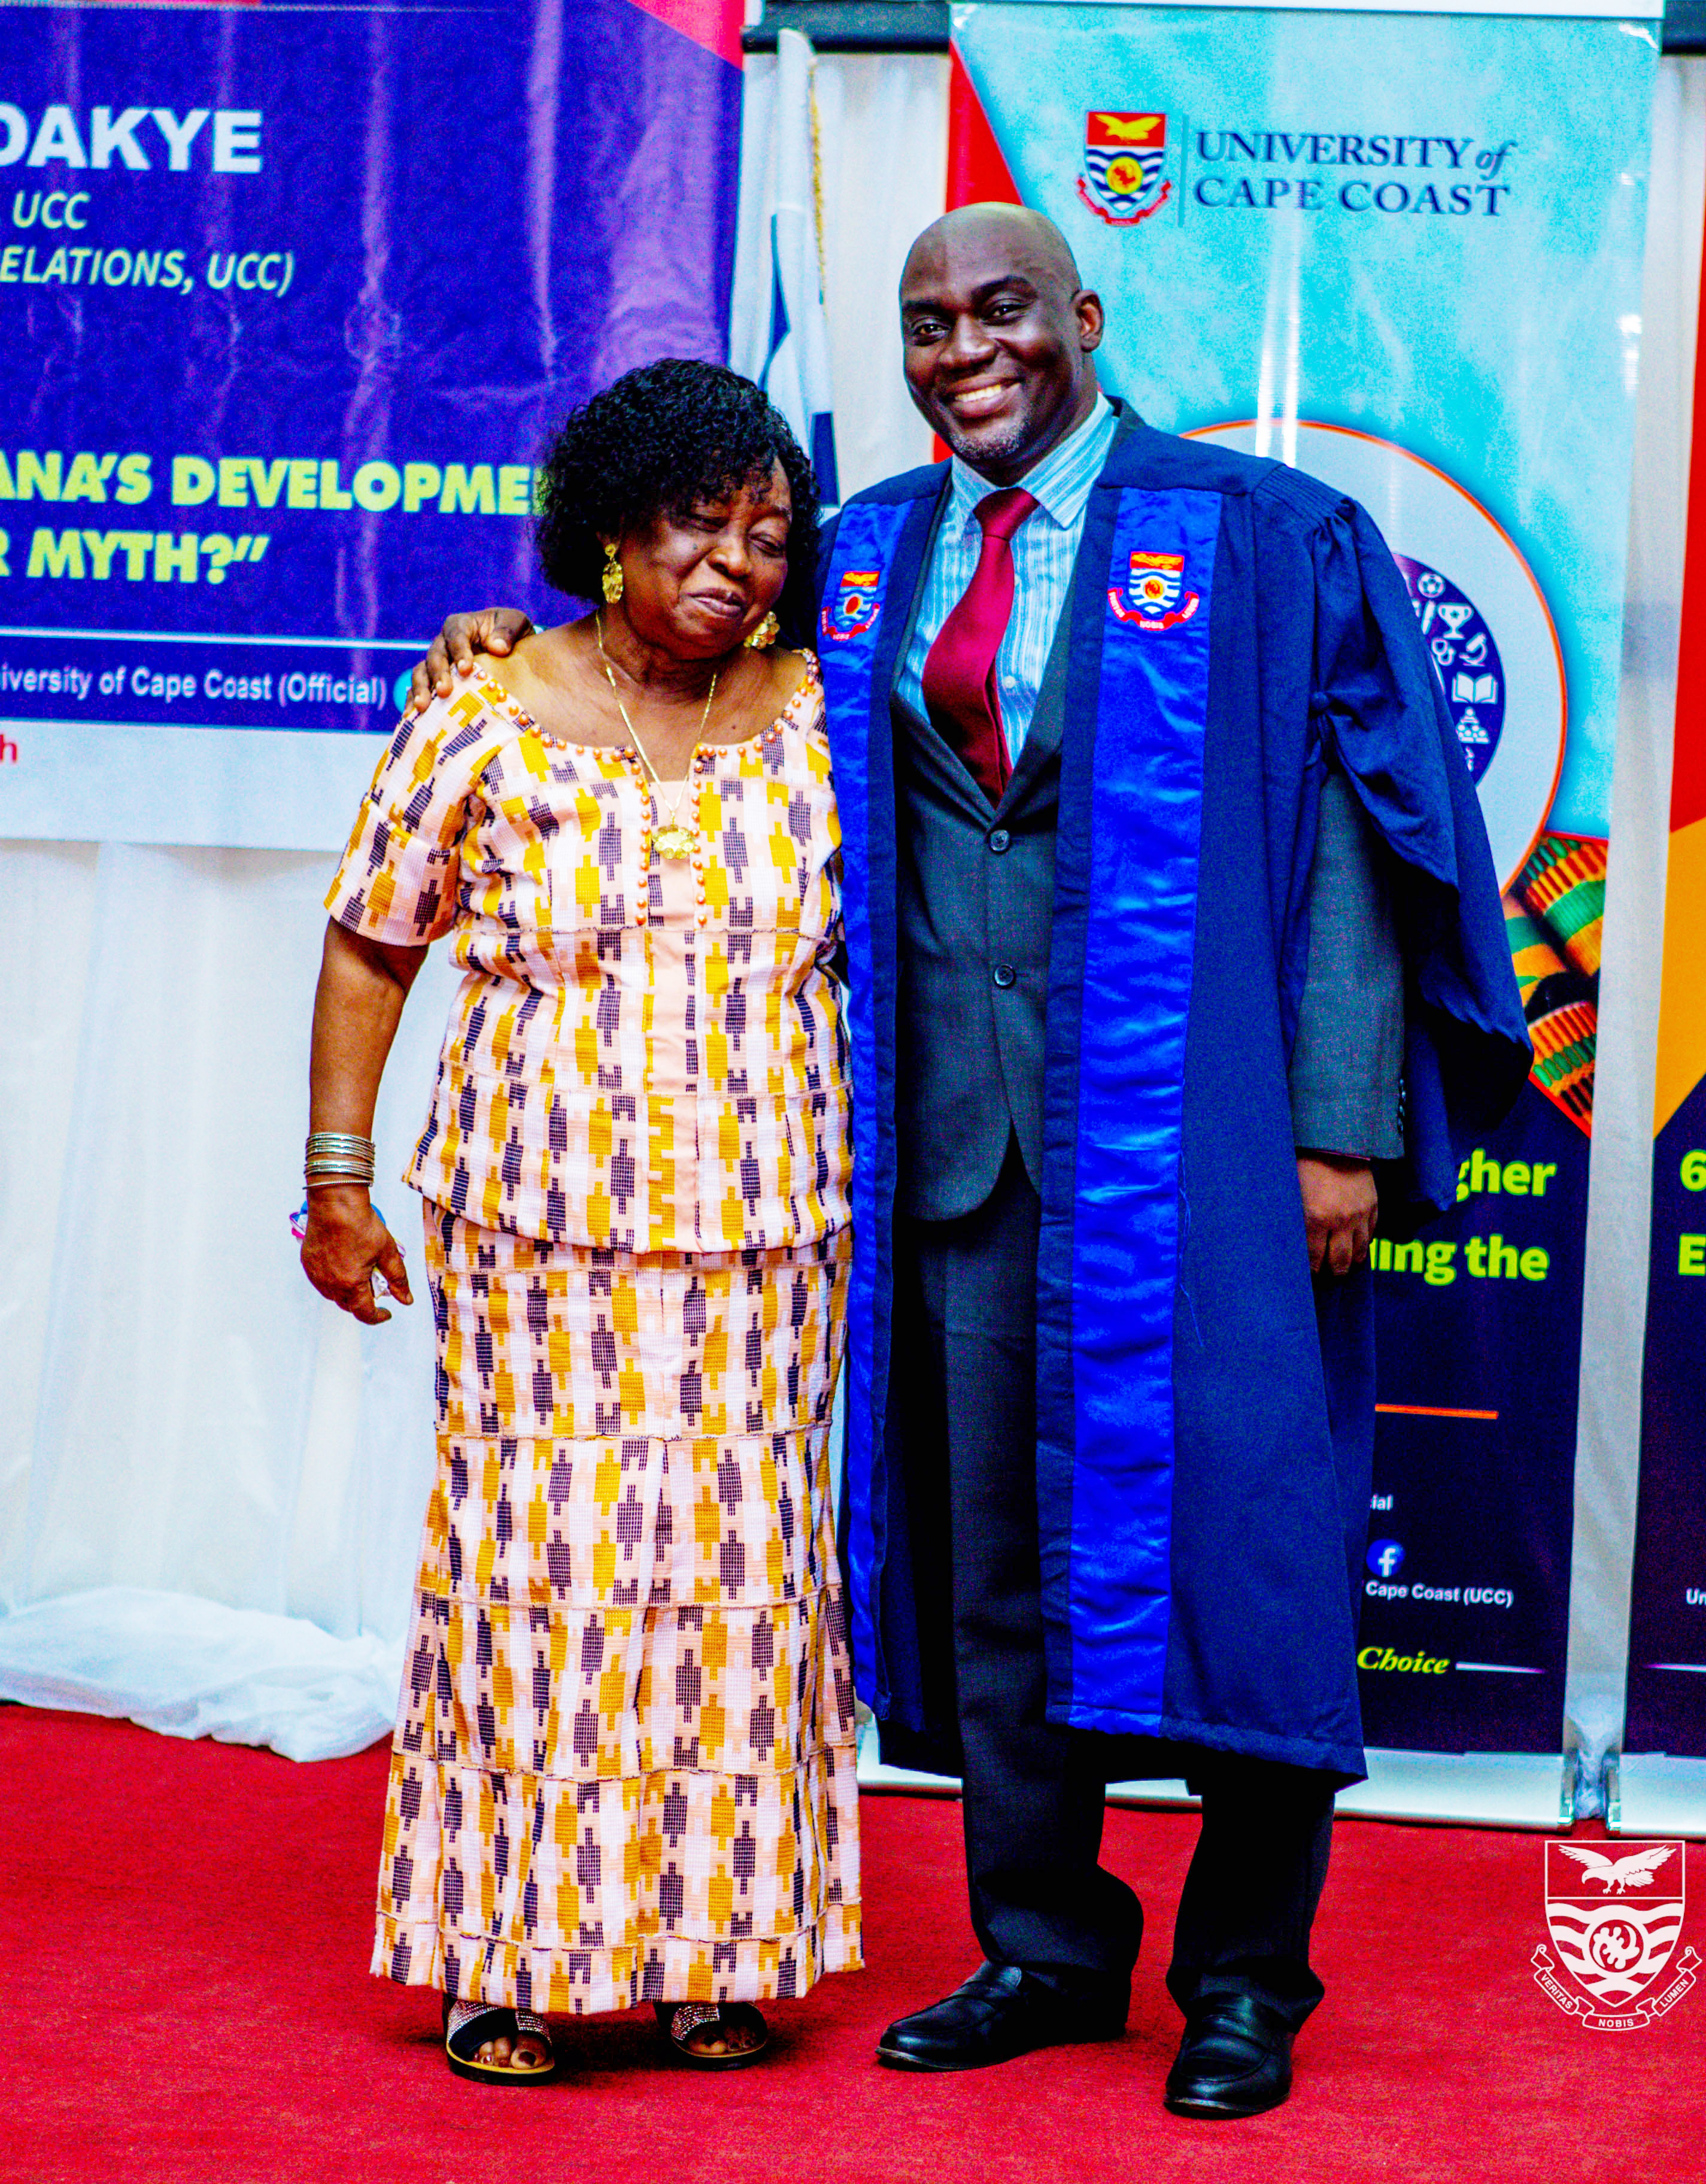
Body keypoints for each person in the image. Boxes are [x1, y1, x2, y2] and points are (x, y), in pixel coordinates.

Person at [411, 205, 1528, 2120]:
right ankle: (1043, 1948)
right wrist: (516, 635)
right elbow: (681, 671)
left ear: (1083, 319)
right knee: (995, 1557)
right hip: (947, 1149)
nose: (961, 349)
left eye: (1000, 310)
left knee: (1244, 1552)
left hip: (1206, 1146)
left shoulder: (1260, 533)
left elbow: (1365, 829)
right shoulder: (861, 559)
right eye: (927, 324)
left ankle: (1245, 1979)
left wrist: (1340, 1125)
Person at [303, 359, 861, 2087]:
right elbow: (372, 940)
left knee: (738, 1588)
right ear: (613, 531)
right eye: (700, 521)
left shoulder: (826, 708)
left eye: (767, 535)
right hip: (537, 1228)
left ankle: (717, 1954)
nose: (735, 563)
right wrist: (334, 1177)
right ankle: (507, 1956)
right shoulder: (484, 704)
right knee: (535, 1578)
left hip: (767, 1232)